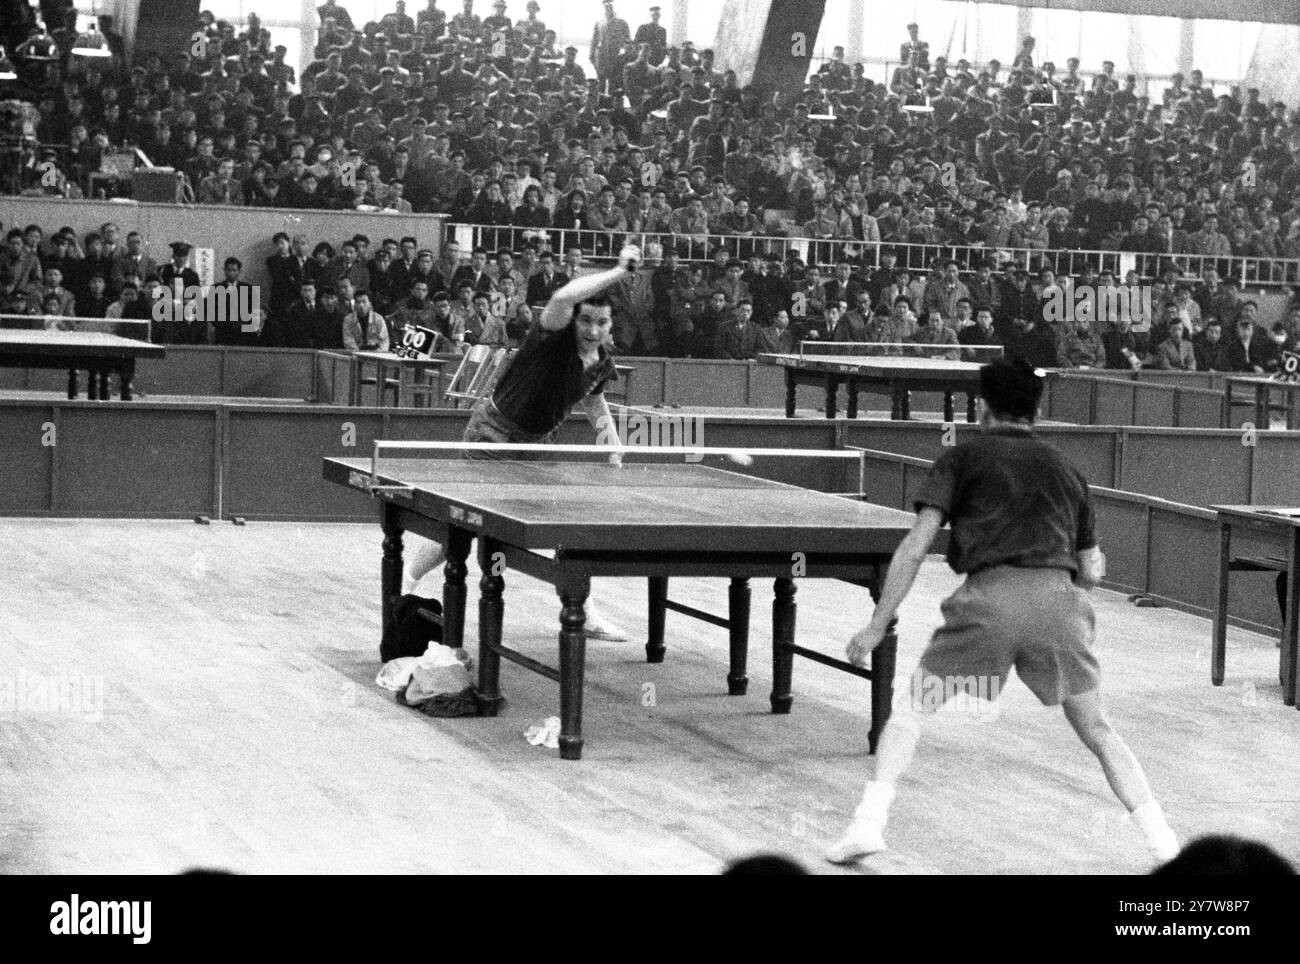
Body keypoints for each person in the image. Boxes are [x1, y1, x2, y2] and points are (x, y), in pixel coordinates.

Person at [827, 357, 1179, 867]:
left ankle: (867, 825)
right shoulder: (1068, 470)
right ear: (1037, 409)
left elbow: (914, 547)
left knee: (909, 714)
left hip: (988, 606)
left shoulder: (961, 459)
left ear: (983, 407)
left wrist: (877, 624)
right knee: (1098, 730)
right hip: (1058, 608)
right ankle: (1165, 847)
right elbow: (1093, 571)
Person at [399, 245, 653, 642]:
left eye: (601, 323)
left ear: (610, 326)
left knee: (562, 528)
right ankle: (409, 584)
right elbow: (562, 296)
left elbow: (594, 400)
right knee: (459, 524)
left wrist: (613, 444)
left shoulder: (602, 361)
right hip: (493, 434)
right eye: (585, 321)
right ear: (574, 321)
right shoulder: (550, 336)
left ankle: (583, 613)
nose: (591, 330)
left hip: (538, 443)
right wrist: (620, 270)